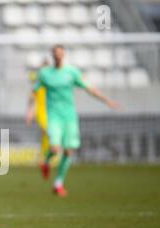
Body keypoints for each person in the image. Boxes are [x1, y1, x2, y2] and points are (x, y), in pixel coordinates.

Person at [26, 45, 119, 197]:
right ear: (52, 55)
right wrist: (30, 111)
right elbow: (34, 91)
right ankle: (46, 161)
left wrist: (106, 100)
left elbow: (89, 88)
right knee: (55, 148)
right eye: (55, 54)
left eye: (60, 54)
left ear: (63, 55)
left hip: (69, 117)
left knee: (68, 151)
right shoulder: (44, 74)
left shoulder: (72, 72)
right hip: (53, 116)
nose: (57, 56)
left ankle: (58, 184)